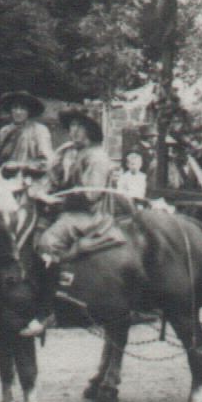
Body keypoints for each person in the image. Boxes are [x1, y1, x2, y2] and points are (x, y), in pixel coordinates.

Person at [27, 108, 117, 337]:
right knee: (27, 227)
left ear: (90, 130)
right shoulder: (67, 151)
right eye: (72, 126)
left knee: (48, 242)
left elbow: (90, 195)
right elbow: (52, 177)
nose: (74, 131)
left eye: (80, 126)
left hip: (88, 215)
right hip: (63, 207)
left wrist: (56, 200)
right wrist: (40, 191)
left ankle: (47, 309)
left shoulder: (97, 156)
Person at [0, 90, 54, 169]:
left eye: (23, 108)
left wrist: (20, 166)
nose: (18, 112)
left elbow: (47, 161)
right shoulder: (4, 131)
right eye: (15, 107)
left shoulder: (39, 131)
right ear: (11, 110)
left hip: (30, 176)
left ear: (29, 111)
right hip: (4, 176)